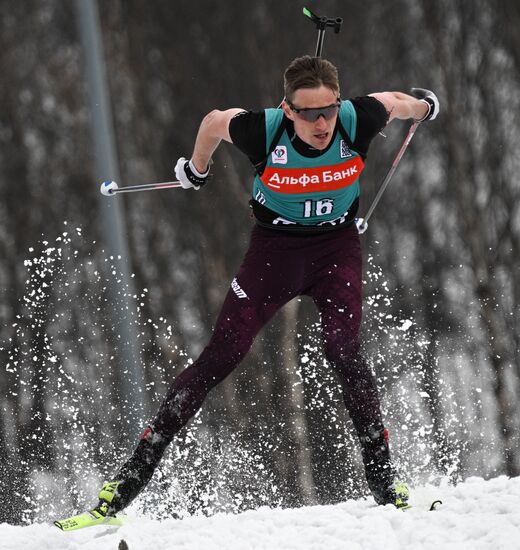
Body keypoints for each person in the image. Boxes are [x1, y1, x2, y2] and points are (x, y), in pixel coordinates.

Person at [95, 55, 439, 515]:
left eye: (329, 110)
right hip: (274, 253)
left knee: (343, 349)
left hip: (335, 251)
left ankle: (382, 479)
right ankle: (128, 481)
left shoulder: (357, 118)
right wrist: (196, 168)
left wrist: (425, 107)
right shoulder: (264, 130)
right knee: (221, 356)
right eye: (310, 113)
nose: (322, 123)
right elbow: (215, 121)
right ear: (288, 109)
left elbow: (397, 103)